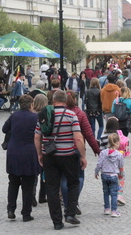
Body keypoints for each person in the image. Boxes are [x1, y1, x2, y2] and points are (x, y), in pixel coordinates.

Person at [34, 90, 87, 230]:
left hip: (49, 156)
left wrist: (40, 154)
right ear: (66, 100)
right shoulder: (71, 115)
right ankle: (70, 213)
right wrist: (82, 155)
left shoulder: (44, 115)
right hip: (67, 155)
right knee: (74, 182)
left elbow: (37, 137)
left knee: (51, 188)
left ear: (53, 100)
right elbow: (78, 137)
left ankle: (57, 221)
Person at [61, 90, 100, 215]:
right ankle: (74, 201)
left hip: (61, 149)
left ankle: (67, 203)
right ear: (76, 99)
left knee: (64, 179)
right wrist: (96, 149)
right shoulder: (80, 114)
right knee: (79, 177)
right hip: (77, 149)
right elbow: (88, 134)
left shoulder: (59, 113)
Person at [2, 95, 40, 222]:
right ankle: (26, 213)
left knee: (13, 182)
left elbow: (4, 129)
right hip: (29, 152)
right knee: (28, 184)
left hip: (13, 151)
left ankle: (11, 209)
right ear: (31, 105)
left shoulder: (14, 116)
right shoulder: (35, 117)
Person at [95, 133, 124, 218]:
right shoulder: (119, 154)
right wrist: (121, 175)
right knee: (114, 193)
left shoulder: (103, 153)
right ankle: (114, 210)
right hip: (114, 175)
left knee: (106, 192)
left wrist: (96, 172)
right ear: (117, 143)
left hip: (104, 174)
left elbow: (99, 164)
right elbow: (121, 166)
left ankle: (107, 208)